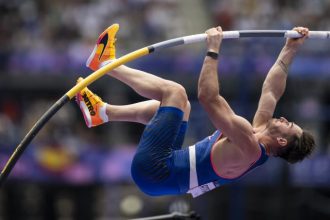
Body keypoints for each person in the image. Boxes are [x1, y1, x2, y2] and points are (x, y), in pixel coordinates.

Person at [76, 24, 315, 197]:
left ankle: (105, 63)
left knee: (176, 93)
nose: (284, 118)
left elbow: (208, 97)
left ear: (282, 141)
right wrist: (290, 48)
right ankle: (102, 112)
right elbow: (272, 90)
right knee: (181, 108)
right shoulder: (259, 132)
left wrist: (212, 50)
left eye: (289, 124)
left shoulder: (249, 146)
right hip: (164, 171)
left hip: (157, 171)